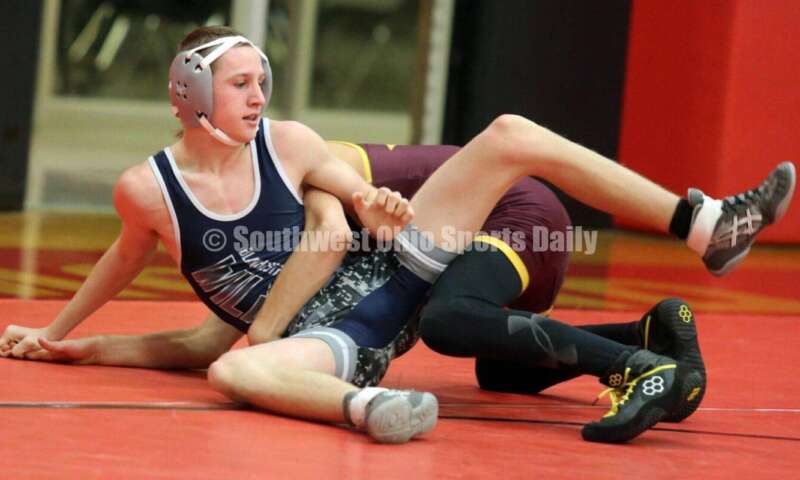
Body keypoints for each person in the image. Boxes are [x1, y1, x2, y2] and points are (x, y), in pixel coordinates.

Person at [1, 26, 795, 443]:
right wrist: (69, 337)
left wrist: (370, 202)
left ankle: (705, 224)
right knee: (235, 377)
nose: (258, 95)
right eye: (240, 83)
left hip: (384, 272)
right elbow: (136, 272)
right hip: (336, 338)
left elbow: (336, 218)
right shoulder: (146, 191)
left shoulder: (289, 143)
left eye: (260, 81)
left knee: (511, 131)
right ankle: (377, 407)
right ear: (191, 92)